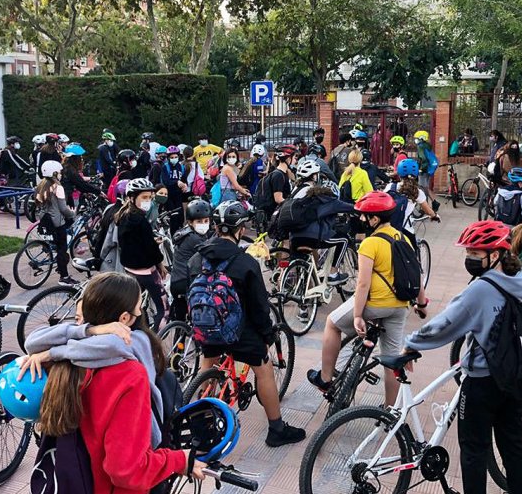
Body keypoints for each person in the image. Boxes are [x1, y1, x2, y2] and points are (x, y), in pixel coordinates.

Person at [403, 220, 522, 494]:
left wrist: (410, 344)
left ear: (494, 255)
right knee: (512, 445)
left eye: (474, 253)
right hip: (513, 378)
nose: (469, 258)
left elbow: (443, 326)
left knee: (474, 450)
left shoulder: (479, 290)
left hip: (481, 382)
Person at [19, 272, 204, 494]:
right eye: (139, 307)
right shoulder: (129, 374)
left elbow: (34, 341)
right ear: (125, 318)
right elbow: (126, 470)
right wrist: (179, 460)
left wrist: (86, 333)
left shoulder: (61, 361)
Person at [188, 201, 306, 447]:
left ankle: (199, 424)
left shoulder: (198, 257)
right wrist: (267, 334)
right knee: (263, 369)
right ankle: (276, 429)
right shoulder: (245, 262)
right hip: (240, 331)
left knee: (207, 365)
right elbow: (259, 307)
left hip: (206, 326)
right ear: (240, 229)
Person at [308, 191, 423, 408]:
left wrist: (359, 315)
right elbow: (416, 272)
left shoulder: (370, 244)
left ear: (375, 219)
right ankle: (390, 410)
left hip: (375, 305)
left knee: (333, 323)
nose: (361, 220)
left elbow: (362, 284)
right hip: (399, 307)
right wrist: (422, 303)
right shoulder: (403, 237)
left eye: (364, 216)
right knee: (391, 361)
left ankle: (324, 378)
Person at [287, 161, 354, 288]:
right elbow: (349, 208)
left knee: (306, 262)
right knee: (344, 240)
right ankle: (333, 274)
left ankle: (302, 292)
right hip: (313, 237)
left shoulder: (297, 192)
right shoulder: (325, 197)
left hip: (294, 237)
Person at [116, 178, 167, 329]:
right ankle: (154, 343)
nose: (148, 201)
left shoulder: (123, 216)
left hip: (129, 269)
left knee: (134, 307)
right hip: (146, 271)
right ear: (132, 198)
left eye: (150, 198)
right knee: (164, 310)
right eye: (144, 197)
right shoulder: (141, 221)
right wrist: (160, 264)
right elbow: (150, 248)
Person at [36, 161, 77, 285]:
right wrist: (73, 213)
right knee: (62, 248)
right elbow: (63, 209)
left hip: (45, 219)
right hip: (57, 222)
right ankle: (64, 277)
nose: (61, 174)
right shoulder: (58, 187)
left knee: (55, 242)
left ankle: (51, 252)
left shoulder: (40, 186)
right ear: (54, 173)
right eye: (59, 172)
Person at [170, 200, 211, 321]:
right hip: (187, 283)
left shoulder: (184, 233)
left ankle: (179, 336)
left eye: (206, 221)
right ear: (190, 222)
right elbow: (211, 254)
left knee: (181, 321)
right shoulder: (194, 239)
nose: (203, 224)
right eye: (199, 221)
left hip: (176, 282)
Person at [385, 159, 440, 238]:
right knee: (412, 248)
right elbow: (428, 211)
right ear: (416, 174)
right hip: (405, 230)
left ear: (399, 174)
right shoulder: (417, 192)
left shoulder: (390, 186)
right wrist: (434, 215)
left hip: (388, 228)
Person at [253, 145, 293, 219]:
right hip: (273, 216)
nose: (296, 160)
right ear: (288, 159)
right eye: (295, 157)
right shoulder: (278, 175)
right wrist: (293, 204)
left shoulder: (283, 173)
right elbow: (278, 199)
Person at [160, 146, 188, 233]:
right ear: (168, 158)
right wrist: (177, 182)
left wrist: (185, 185)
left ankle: (180, 232)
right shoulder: (165, 167)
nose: (174, 159)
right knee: (173, 215)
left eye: (175, 157)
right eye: (172, 157)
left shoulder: (181, 167)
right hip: (169, 194)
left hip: (178, 194)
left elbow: (184, 179)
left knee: (180, 216)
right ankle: (173, 234)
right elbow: (166, 181)